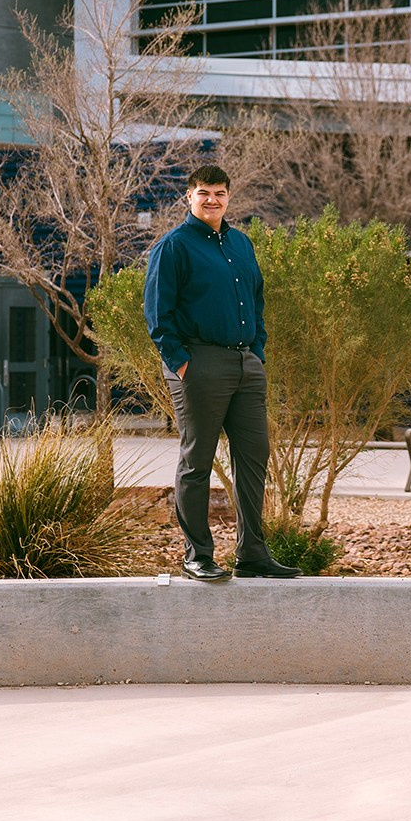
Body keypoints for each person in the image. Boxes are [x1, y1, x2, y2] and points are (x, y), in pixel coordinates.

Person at [144, 164, 299, 582]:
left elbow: (257, 300)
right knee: (197, 460)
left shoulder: (240, 244)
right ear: (189, 197)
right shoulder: (173, 247)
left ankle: (252, 554)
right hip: (199, 363)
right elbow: (159, 314)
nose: (212, 200)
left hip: (246, 362)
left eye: (220, 193)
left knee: (254, 458)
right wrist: (181, 363)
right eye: (203, 193)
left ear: (229, 198)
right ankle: (198, 555)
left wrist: (258, 352)